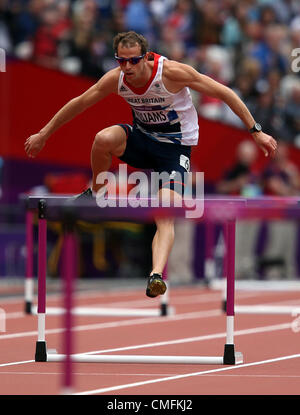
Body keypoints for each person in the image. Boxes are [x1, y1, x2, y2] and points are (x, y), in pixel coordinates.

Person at [24, 30, 277, 298]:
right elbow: (80, 103)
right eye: (121, 61)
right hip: (142, 140)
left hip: (174, 150)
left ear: (146, 57)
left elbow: (225, 93)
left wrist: (256, 130)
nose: (127, 67)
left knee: (164, 212)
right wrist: (44, 134)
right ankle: (97, 192)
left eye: (133, 61)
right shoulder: (117, 78)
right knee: (103, 139)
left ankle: (155, 274)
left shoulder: (172, 73)